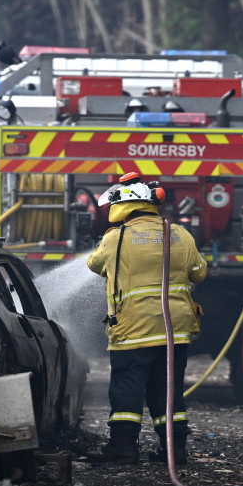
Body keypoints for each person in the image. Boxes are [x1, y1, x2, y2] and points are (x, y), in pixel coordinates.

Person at [87, 172, 207, 465]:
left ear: (122, 206)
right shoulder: (180, 234)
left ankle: (123, 449)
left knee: (127, 390)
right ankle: (175, 451)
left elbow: (94, 264)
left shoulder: (116, 238)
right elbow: (199, 273)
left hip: (134, 328)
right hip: (175, 329)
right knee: (168, 391)